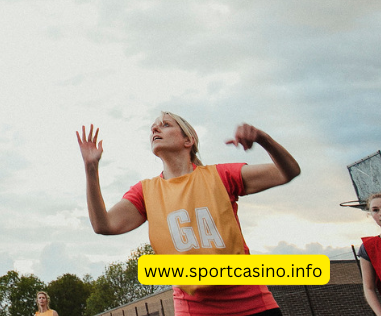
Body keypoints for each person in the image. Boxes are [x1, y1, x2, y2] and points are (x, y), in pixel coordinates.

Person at [77, 113, 300, 316]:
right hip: (194, 311)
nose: (155, 130)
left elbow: (287, 171)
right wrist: (91, 169)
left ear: (188, 140)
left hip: (251, 306)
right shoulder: (146, 192)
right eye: (153, 128)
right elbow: (103, 224)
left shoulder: (220, 176)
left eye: (165, 125)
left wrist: (263, 139)